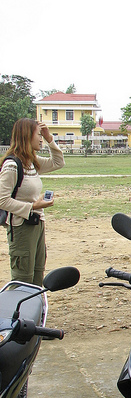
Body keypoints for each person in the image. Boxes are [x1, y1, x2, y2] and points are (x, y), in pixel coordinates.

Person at [0, 119, 64, 286]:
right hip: (21, 227)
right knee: (23, 279)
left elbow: (58, 162)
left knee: (37, 275)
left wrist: (50, 138)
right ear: (27, 136)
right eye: (39, 135)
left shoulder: (31, 162)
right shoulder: (12, 165)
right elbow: (2, 200)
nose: (41, 139)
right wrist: (32, 206)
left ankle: (35, 304)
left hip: (37, 222)